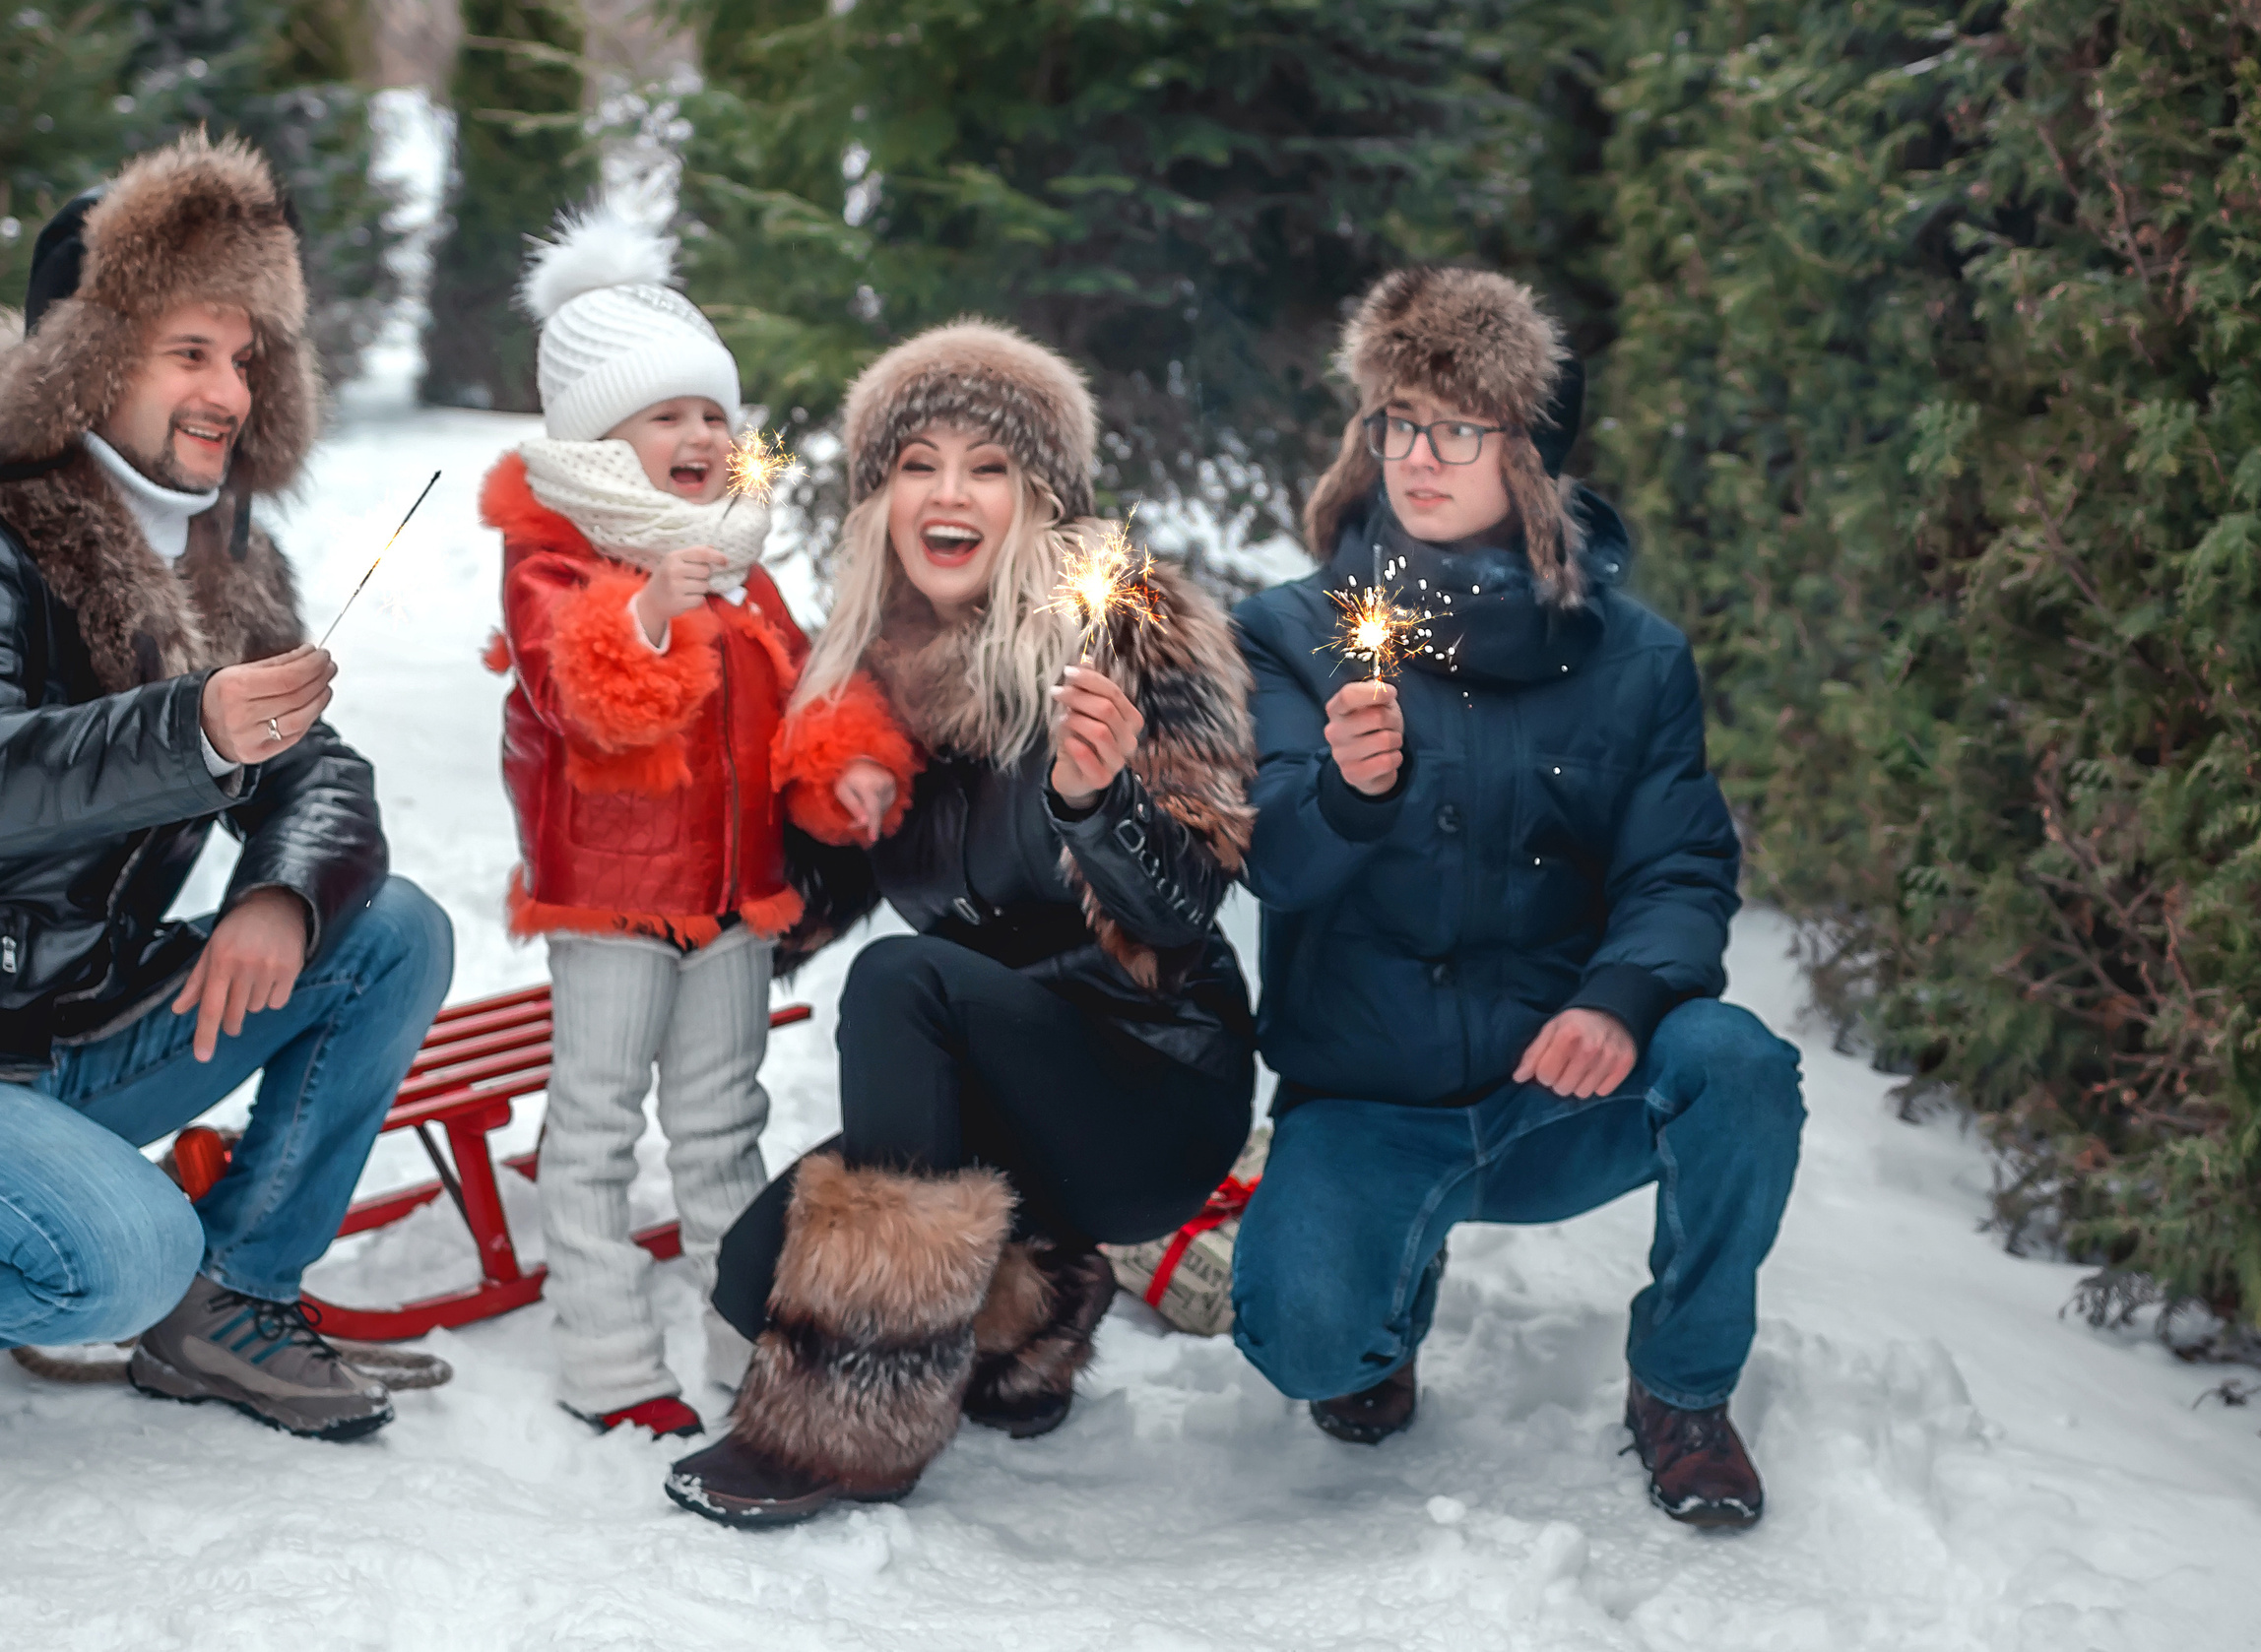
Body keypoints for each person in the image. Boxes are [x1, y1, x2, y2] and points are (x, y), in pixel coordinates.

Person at [0, 133, 453, 1445]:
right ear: (91, 361)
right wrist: (191, 728)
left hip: (65, 1031)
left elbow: (317, 770)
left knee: (389, 927)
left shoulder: (222, 570)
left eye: (246, 357)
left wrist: (283, 894)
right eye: (190, 352)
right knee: (128, 1254)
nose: (228, 391)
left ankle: (235, 1297)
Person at [1226, 265, 1805, 1529]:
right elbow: (1268, 857)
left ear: (1528, 456)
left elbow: (1677, 867)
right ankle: (1382, 1306)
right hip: (1370, 1092)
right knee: (1305, 1344)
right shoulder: (1287, 631)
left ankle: (1682, 1388)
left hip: (1561, 1088)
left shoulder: (1636, 658)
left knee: (1738, 1066)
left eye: (1456, 428)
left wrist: (1620, 997)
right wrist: (1344, 794)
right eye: (1395, 423)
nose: (1415, 458)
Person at [661, 320, 1260, 1528]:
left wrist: (1096, 804)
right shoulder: (869, 677)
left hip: (1149, 1081)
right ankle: (1033, 1314)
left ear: (1037, 499)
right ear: (879, 497)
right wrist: (770, 827)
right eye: (916, 464)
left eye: (987, 467)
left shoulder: (1124, 627)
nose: (947, 493)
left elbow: (1186, 903)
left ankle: (849, 1426)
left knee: (905, 977)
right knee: (747, 1275)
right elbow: (807, 908)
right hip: (996, 1093)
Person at [478, 205, 824, 1439]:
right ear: (599, 437)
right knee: (595, 1129)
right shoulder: (557, 557)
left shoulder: (738, 555)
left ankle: (744, 1344)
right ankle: (608, 1357)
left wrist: (843, 763)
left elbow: (796, 692)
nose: (701, 437)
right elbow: (574, 689)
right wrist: (651, 618)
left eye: (714, 414)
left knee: (725, 1126)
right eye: (666, 414)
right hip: (615, 902)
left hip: (735, 900)